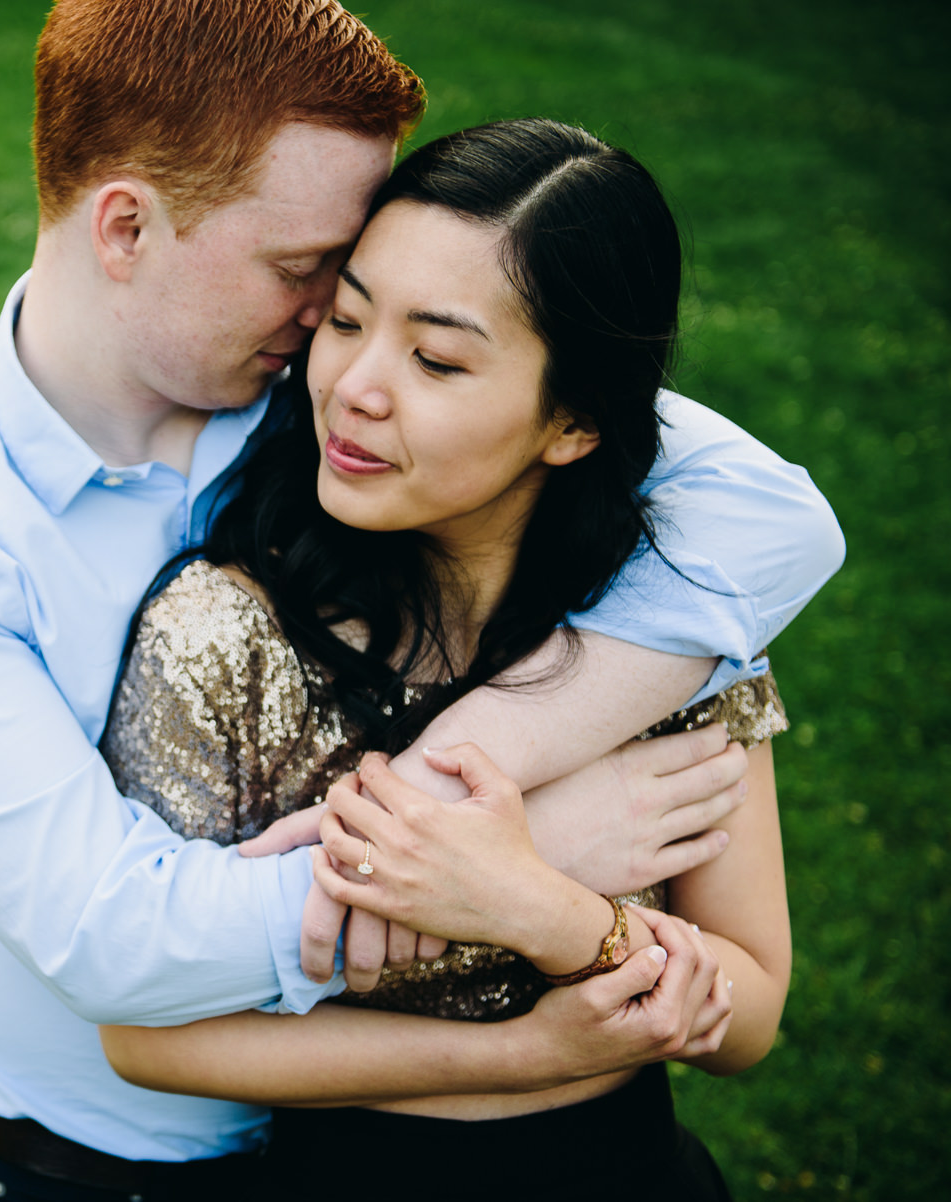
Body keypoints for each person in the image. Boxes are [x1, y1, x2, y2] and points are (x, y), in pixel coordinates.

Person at [0, 2, 841, 1198]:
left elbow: (771, 514)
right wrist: (519, 857)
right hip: (103, 1164)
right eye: (312, 275)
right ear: (128, 226)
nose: (333, 331)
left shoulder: (327, 393)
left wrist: (467, 772)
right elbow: (113, 941)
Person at [97, 119, 792, 1199]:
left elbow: (749, 1013)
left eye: (436, 358)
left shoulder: (676, 633)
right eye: (347, 319)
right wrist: (530, 1049)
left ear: (573, 420)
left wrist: (536, 907)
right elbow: (148, 1034)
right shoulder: (225, 635)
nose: (356, 387)